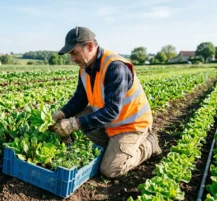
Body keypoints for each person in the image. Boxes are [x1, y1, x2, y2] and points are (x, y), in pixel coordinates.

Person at [52, 26, 161, 179]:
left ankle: (149, 144)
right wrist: (62, 113)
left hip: (131, 125)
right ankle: (114, 145)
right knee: (74, 114)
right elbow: (79, 99)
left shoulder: (115, 67)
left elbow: (112, 111)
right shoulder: (85, 68)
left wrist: (74, 124)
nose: (72, 59)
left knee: (110, 170)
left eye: (74, 53)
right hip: (110, 123)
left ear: (90, 46)